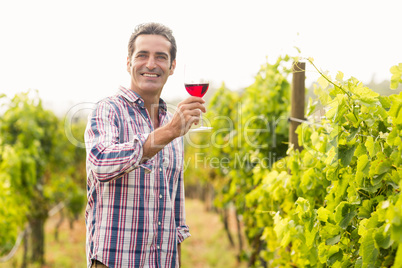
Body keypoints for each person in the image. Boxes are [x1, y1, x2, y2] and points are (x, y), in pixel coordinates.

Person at [84, 22, 205, 268]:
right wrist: (169, 132)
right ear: (128, 62)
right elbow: (101, 163)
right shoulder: (108, 110)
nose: (151, 64)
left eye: (161, 57)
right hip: (114, 262)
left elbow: (175, 209)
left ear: (172, 67)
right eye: (142, 55)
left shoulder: (173, 124)